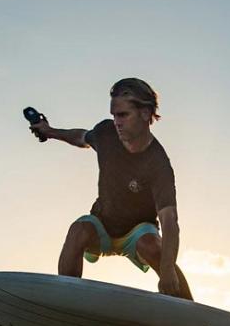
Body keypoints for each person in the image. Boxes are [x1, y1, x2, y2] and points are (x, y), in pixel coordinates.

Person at [28, 78, 193, 300]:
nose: (117, 122)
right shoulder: (106, 133)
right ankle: (67, 303)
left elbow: (170, 221)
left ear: (145, 114)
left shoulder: (158, 162)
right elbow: (81, 137)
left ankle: (190, 312)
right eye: (114, 115)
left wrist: (168, 270)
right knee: (78, 230)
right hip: (102, 225)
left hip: (138, 232)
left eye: (123, 115)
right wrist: (49, 131)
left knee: (154, 247)